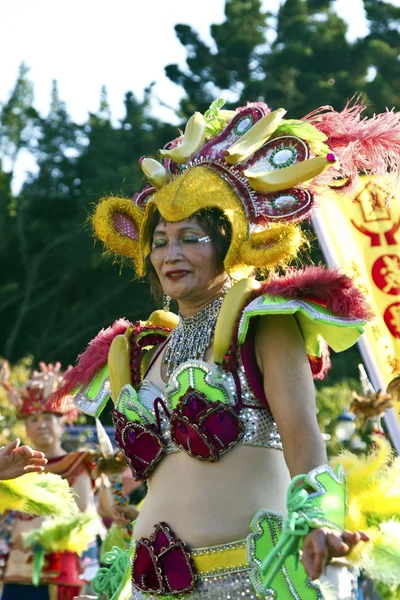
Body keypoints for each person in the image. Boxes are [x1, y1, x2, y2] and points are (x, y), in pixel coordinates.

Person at [51, 100, 400, 600]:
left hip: (255, 580)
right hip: (154, 588)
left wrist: (318, 520)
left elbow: (303, 434)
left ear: (230, 240)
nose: (171, 254)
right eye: (161, 240)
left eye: (191, 238)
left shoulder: (263, 322)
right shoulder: (140, 351)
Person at [0, 362, 105, 600]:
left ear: (63, 421)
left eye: (48, 417)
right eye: (34, 419)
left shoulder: (78, 462)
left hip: (61, 574)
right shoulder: (13, 466)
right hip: (14, 571)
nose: (41, 425)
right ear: (25, 426)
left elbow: (83, 515)